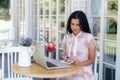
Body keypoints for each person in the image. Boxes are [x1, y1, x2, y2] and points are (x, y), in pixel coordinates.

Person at [60, 11, 96, 80]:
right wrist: (64, 56)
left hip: (83, 73)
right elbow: (65, 55)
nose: (74, 27)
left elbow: (91, 60)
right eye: (72, 24)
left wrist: (78, 65)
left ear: (82, 24)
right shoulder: (68, 37)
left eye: (77, 25)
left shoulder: (89, 38)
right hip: (69, 70)